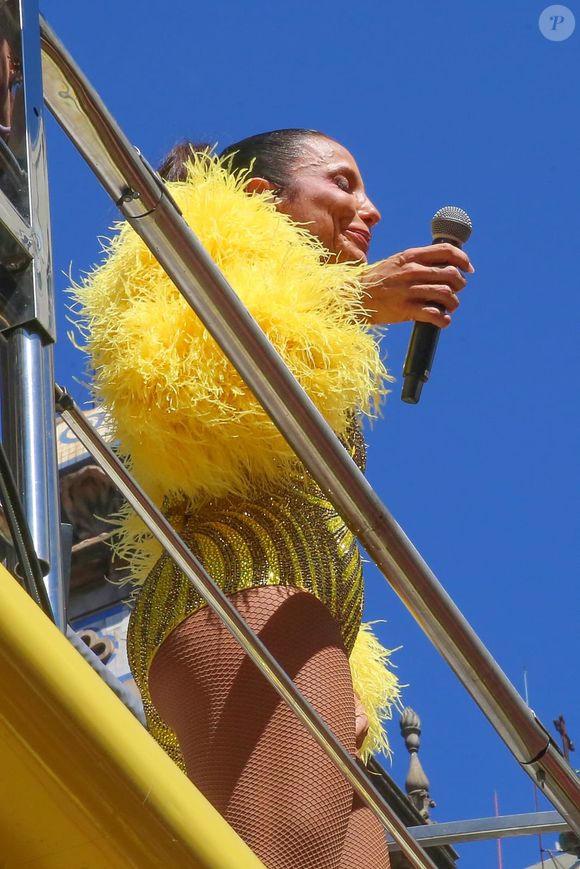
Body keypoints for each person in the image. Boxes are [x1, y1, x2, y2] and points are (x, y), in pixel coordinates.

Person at [74, 129, 473, 869]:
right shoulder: (190, 257)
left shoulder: (312, 329)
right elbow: (175, 390)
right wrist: (350, 297)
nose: (372, 208)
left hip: (299, 621)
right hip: (244, 591)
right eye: (344, 183)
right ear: (263, 198)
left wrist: (341, 669)